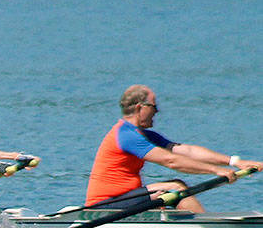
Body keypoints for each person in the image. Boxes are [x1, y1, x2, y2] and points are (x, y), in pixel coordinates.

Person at [84, 85, 261, 213]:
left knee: (176, 185)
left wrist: (235, 162)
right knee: (175, 187)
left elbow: (185, 151)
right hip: (105, 205)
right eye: (154, 106)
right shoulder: (126, 135)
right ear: (140, 108)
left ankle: (195, 226)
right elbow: (170, 160)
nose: (157, 111)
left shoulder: (144, 135)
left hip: (128, 197)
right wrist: (217, 171)